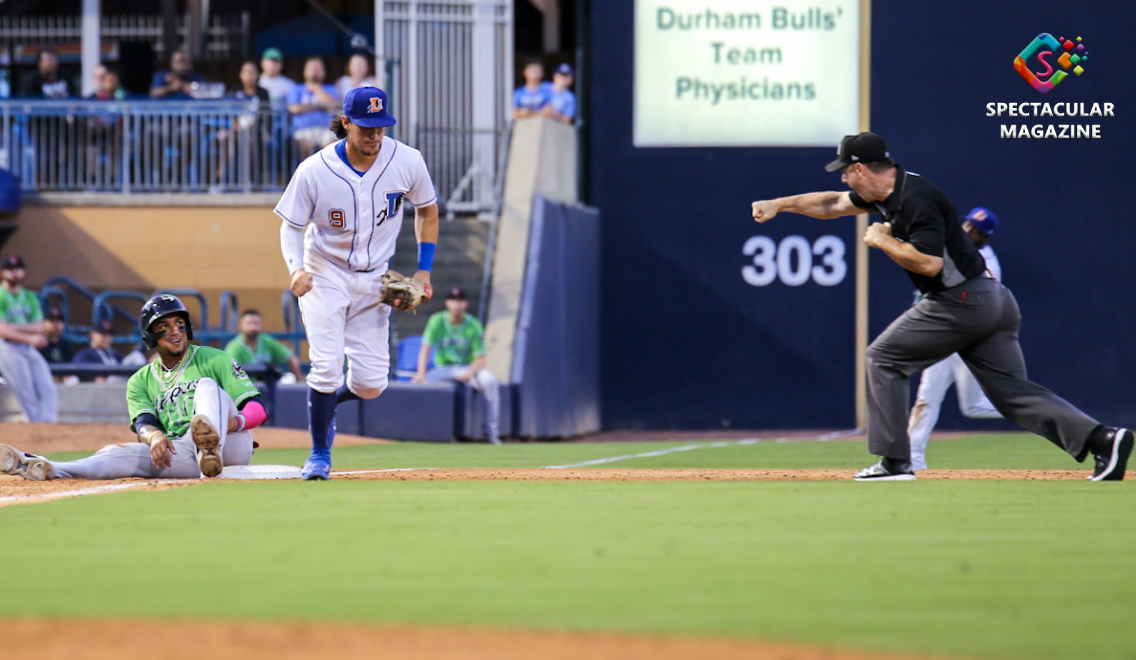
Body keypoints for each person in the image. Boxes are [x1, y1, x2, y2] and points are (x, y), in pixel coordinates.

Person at [750, 132, 1133, 481]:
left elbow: (929, 263)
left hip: (960, 300)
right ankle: (1103, 440)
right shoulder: (890, 192)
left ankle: (895, 463)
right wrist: (778, 204)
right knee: (1012, 394)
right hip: (992, 299)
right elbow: (831, 203)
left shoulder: (915, 199)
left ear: (861, 168)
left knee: (883, 358)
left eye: (845, 172)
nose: (843, 180)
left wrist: (881, 239)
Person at [275, 85, 439, 480]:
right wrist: (296, 269)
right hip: (324, 272)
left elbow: (428, 212)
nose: (374, 135)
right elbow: (290, 227)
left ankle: (327, 407)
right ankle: (318, 454)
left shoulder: (407, 160)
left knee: (370, 384)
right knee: (327, 368)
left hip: (374, 278)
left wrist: (424, 271)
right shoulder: (314, 170)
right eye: (366, 127)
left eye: (381, 127)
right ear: (345, 123)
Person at [0, 295, 267, 481]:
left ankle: (211, 451)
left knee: (207, 386)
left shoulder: (213, 358)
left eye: (179, 324)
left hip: (231, 444)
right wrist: (154, 438)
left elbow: (257, 408)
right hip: (184, 450)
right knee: (116, 452)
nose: (175, 332)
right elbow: (144, 423)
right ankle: (50, 467)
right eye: (164, 327)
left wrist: (233, 423)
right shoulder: (140, 380)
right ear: (151, 336)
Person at [907, 207, 1004, 470]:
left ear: (986, 238)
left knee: (973, 406)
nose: (969, 231)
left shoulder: (985, 262)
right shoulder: (954, 247)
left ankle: (1031, 408)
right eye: (969, 225)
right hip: (944, 335)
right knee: (927, 397)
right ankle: (912, 460)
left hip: (969, 338)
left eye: (977, 231)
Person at [412, 287, 501, 444]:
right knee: (421, 384)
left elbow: (481, 359)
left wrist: (470, 372)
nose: (457, 304)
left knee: (490, 381)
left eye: (460, 301)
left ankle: (490, 433)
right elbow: (425, 349)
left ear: (465, 304)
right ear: (447, 303)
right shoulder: (437, 320)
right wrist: (421, 373)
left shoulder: (473, 324)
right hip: (443, 368)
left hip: (468, 367)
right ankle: (423, 432)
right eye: (453, 300)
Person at [0, 254, 57, 422]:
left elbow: (40, 326)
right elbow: (2, 331)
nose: (15, 273)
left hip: (28, 346)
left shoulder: (29, 296)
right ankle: (36, 430)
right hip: (8, 347)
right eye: (10, 270)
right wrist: (28, 336)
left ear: (23, 272)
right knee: (26, 393)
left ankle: (48, 426)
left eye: (18, 269)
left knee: (48, 388)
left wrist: (12, 326)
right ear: (3, 272)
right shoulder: (1, 295)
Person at [224, 309, 304, 382]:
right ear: (241, 325)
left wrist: (298, 379)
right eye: (249, 323)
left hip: (268, 388)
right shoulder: (234, 348)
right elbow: (230, 374)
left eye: (256, 323)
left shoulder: (266, 341)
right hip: (245, 391)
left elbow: (290, 358)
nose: (253, 327)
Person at [286, 57, 339, 158]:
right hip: (302, 130)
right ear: (304, 72)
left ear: (324, 73)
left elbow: (333, 107)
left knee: (332, 147)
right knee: (305, 145)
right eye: (312, 69)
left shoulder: (330, 89)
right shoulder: (296, 89)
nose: (315, 72)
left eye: (318, 69)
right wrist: (320, 106)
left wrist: (317, 89)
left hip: (326, 129)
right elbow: (294, 108)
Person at [72, 319, 122, 383]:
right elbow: (78, 368)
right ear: (92, 335)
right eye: (103, 334)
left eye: (109, 334)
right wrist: (94, 376)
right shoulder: (85, 354)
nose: (106, 338)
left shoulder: (114, 354)